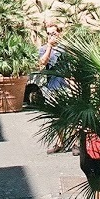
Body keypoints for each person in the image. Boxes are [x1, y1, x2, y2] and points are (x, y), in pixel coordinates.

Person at [39, 22, 66, 154]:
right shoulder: (44, 48)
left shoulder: (66, 48)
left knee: (70, 115)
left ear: (59, 33)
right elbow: (42, 62)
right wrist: (49, 47)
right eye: (48, 34)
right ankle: (60, 142)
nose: (51, 36)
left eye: (53, 33)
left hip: (66, 85)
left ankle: (76, 143)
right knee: (55, 116)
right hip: (52, 86)